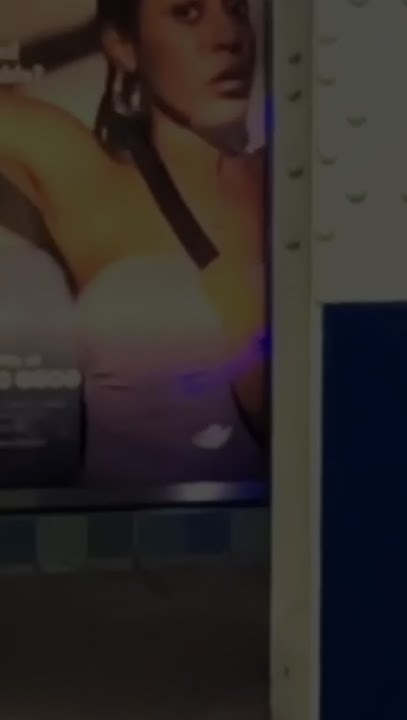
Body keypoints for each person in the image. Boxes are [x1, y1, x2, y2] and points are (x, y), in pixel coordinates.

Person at [0, 0, 266, 487]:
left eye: (236, 10)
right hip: (125, 530)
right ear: (122, 46)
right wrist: (78, 41)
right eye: (187, 13)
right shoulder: (91, 180)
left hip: (281, 531)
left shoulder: (292, 183)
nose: (227, 36)